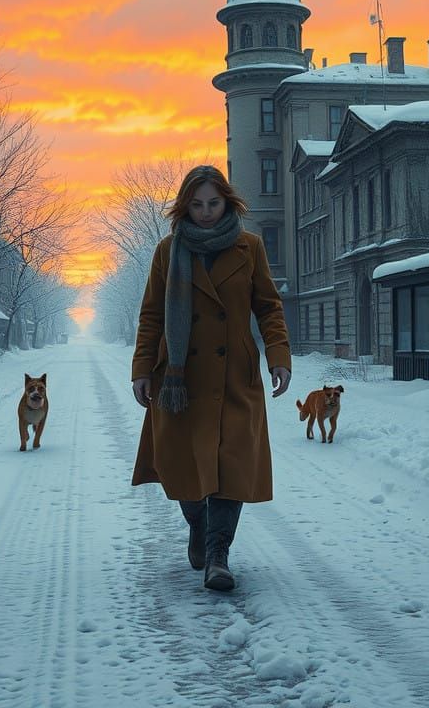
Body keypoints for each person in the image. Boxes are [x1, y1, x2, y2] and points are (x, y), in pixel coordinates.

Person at [131, 164, 292, 592]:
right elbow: (151, 315)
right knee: (182, 465)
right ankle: (198, 523)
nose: (205, 212)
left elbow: (269, 307)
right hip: (179, 382)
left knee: (231, 464)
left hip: (234, 378)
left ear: (227, 203)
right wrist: (142, 370)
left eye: (213, 203)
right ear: (186, 205)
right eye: (197, 204)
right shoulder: (168, 251)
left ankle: (219, 555)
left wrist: (279, 356)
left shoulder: (249, 247)